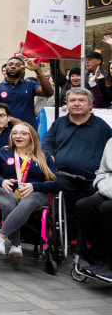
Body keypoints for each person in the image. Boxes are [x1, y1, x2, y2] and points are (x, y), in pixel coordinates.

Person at [41, 87, 112, 237]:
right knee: (57, 191)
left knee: (96, 203)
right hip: (63, 176)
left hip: (93, 179)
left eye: (81, 100)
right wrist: (49, 156)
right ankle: (69, 237)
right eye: (72, 100)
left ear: (91, 104)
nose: (77, 104)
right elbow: (47, 145)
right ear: (67, 103)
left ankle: (91, 240)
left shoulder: (101, 126)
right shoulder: (58, 124)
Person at [0, 122, 58, 258]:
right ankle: (16, 244)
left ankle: (1, 237)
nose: (18, 136)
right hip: (8, 190)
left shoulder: (43, 156)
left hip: (34, 194)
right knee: (8, 202)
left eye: (23, 133)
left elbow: (55, 183)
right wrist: (1, 181)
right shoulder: (4, 152)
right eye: (15, 133)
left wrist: (35, 186)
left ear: (32, 136)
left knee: (27, 201)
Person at [76, 137, 112, 280]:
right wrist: (100, 184)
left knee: (108, 208)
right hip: (108, 190)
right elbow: (102, 171)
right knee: (84, 206)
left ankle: (110, 261)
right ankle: (100, 256)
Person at [0, 56, 53, 129]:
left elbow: (49, 92)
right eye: (10, 64)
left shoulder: (30, 84)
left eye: (18, 65)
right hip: (5, 132)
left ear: (23, 70)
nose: (13, 66)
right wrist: (12, 120)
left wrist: (37, 70)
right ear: (6, 68)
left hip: (28, 130)